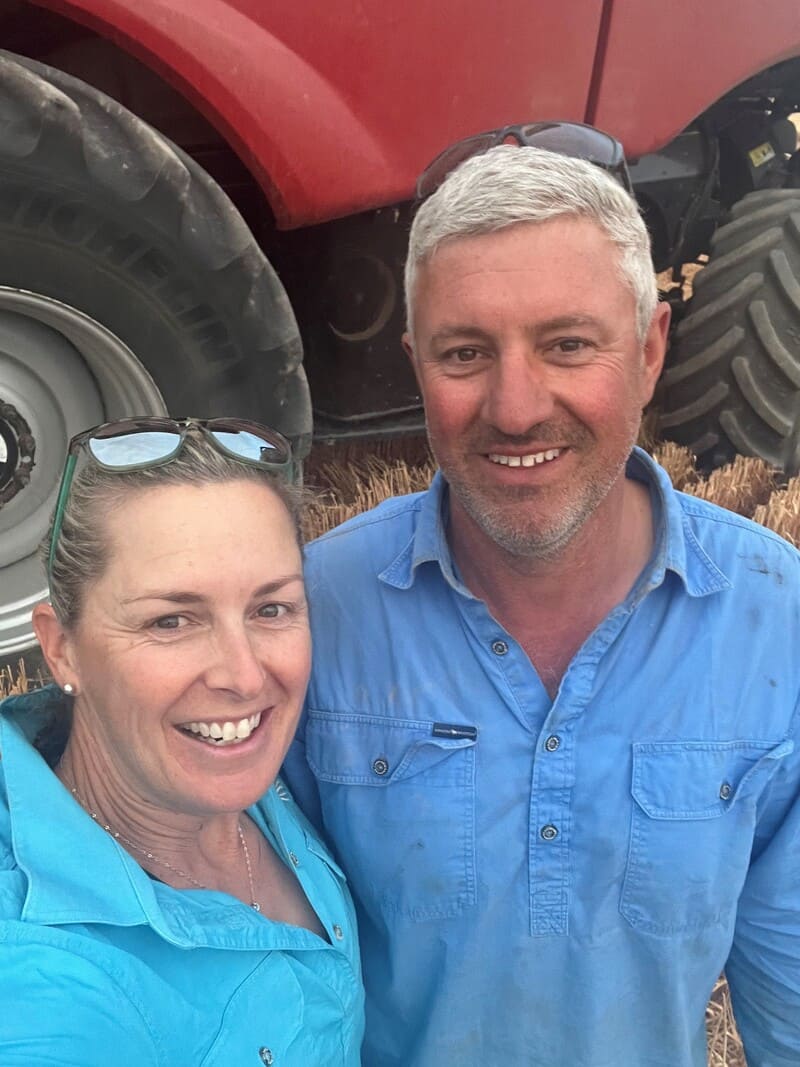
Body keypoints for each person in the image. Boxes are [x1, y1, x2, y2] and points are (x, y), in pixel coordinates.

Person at [283, 140, 800, 1066]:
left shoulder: (777, 619)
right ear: (415, 365)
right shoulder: (317, 612)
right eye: (465, 352)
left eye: (567, 344)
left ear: (649, 351)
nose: (516, 407)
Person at [0, 417, 364, 1065]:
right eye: (171, 620)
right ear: (62, 649)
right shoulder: (51, 997)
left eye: (270, 608)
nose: (246, 675)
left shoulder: (231, 778)